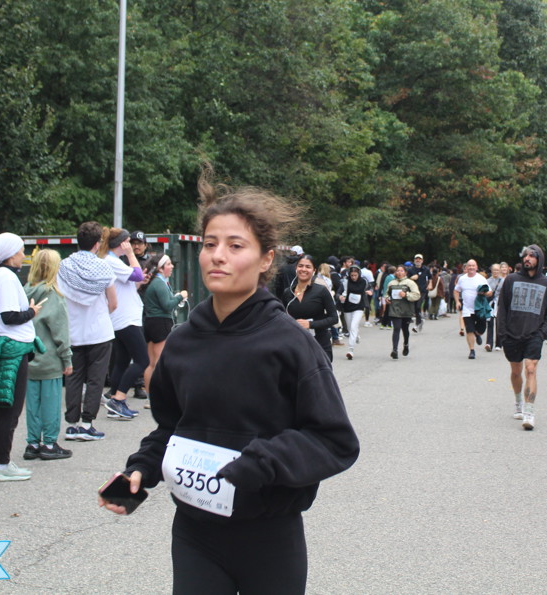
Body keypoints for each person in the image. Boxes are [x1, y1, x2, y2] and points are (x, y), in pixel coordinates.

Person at [100, 171, 359, 594]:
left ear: (265, 259)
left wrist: (263, 462)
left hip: (269, 536)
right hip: (195, 534)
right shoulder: (182, 342)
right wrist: (141, 469)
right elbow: (172, 428)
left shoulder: (290, 344)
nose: (217, 256)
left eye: (235, 246)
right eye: (209, 244)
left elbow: (334, 440)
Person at [0, 234, 43, 481]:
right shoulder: (6, 278)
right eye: (20, 250)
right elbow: (9, 316)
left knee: (1, 407)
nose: (23, 255)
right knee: (9, 408)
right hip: (11, 348)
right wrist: (32, 311)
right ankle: (1, 464)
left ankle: (0, 461)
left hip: (4, 345)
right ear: (10, 254)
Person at [58, 221, 117, 442]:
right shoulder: (103, 267)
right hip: (99, 332)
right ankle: (87, 423)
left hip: (72, 331)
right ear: (97, 243)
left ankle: (71, 425)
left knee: (73, 378)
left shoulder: (64, 266)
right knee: (95, 379)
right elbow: (113, 303)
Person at [497, 245, 547, 430]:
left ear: (539, 260)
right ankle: (519, 403)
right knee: (516, 371)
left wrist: (543, 334)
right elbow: (502, 308)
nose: (527, 258)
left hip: (534, 334)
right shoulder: (511, 280)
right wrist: (502, 333)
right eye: (525, 255)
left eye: (532, 256)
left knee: (531, 369)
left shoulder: (546, 284)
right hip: (512, 334)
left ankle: (529, 412)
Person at [23, 250, 73, 462]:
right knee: (51, 403)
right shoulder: (53, 295)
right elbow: (60, 332)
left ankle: (33, 443)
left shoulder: (25, 291)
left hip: (28, 356)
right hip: (50, 358)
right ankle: (50, 443)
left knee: (32, 404)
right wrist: (67, 358)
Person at [103, 228, 147, 421]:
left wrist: (140, 279)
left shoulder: (112, 261)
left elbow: (133, 282)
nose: (130, 245)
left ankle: (114, 400)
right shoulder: (112, 261)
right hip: (126, 319)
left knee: (121, 362)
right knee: (142, 360)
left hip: (120, 318)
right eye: (128, 241)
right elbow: (137, 275)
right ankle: (119, 398)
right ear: (122, 243)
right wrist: (130, 255)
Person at [141, 253, 188, 393]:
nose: (172, 266)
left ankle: (150, 396)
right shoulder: (159, 283)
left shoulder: (157, 282)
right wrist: (180, 296)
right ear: (160, 268)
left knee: (151, 363)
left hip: (151, 322)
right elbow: (167, 306)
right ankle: (158, 396)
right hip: (160, 322)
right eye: (168, 264)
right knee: (159, 362)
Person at [284, 255, 338, 362]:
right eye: (300, 266)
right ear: (296, 268)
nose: (303, 269)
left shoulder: (321, 291)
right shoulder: (287, 293)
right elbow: (283, 317)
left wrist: (310, 324)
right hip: (296, 344)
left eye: (308, 267)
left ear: (314, 270)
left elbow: (334, 318)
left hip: (319, 343)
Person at [384, 264, 419, 359]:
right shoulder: (391, 283)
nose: (399, 272)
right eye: (397, 271)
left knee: (405, 329)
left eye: (401, 271)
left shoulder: (410, 283)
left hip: (406, 310)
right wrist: (387, 298)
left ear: (405, 273)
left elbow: (417, 295)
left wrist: (406, 295)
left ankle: (406, 344)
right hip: (394, 309)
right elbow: (387, 294)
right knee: (396, 328)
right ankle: (394, 350)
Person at [454, 259, 487, 360]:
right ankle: (472, 350)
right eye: (469, 266)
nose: (471, 267)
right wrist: (457, 301)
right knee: (469, 330)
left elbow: (489, 292)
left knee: (482, 329)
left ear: (476, 267)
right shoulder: (462, 279)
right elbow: (456, 290)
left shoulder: (481, 279)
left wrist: (485, 293)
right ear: (466, 268)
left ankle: (477, 334)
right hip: (467, 310)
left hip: (479, 308)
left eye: (473, 266)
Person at [339, 265, 369, 360]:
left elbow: (368, 288)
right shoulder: (346, 282)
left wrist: (369, 292)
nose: (353, 277)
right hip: (347, 307)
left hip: (359, 307)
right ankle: (356, 336)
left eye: (355, 275)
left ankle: (350, 350)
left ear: (359, 274)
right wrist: (340, 296)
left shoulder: (363, 281)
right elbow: (339, 292)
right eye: (352, 275)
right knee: (350, 329)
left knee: (353, 327)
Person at [484, 264, 503, 352]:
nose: (496, 272)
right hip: (490, 303)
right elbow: (484, 291)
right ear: (491, 271)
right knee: (490, 323)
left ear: (500, 271)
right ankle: (489, 343)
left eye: (497, 270)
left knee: (499, 323)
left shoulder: (503, 281)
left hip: (499, 304)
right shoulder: (487, 281)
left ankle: (499, 343)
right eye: (494, 270)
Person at [409, 253, 430, 331]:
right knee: (415, 308)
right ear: (414, 260)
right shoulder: (411, 270)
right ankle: (420, 322)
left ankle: (418, 324)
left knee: (418, 306)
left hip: (422, 290)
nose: (418, 260)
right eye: (416, 259)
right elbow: (407, 279)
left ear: (422, 260)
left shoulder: (426, 269)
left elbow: (430, 278)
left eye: (419, 259)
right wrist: (412, 278)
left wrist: (430, 285)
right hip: (413, 290)